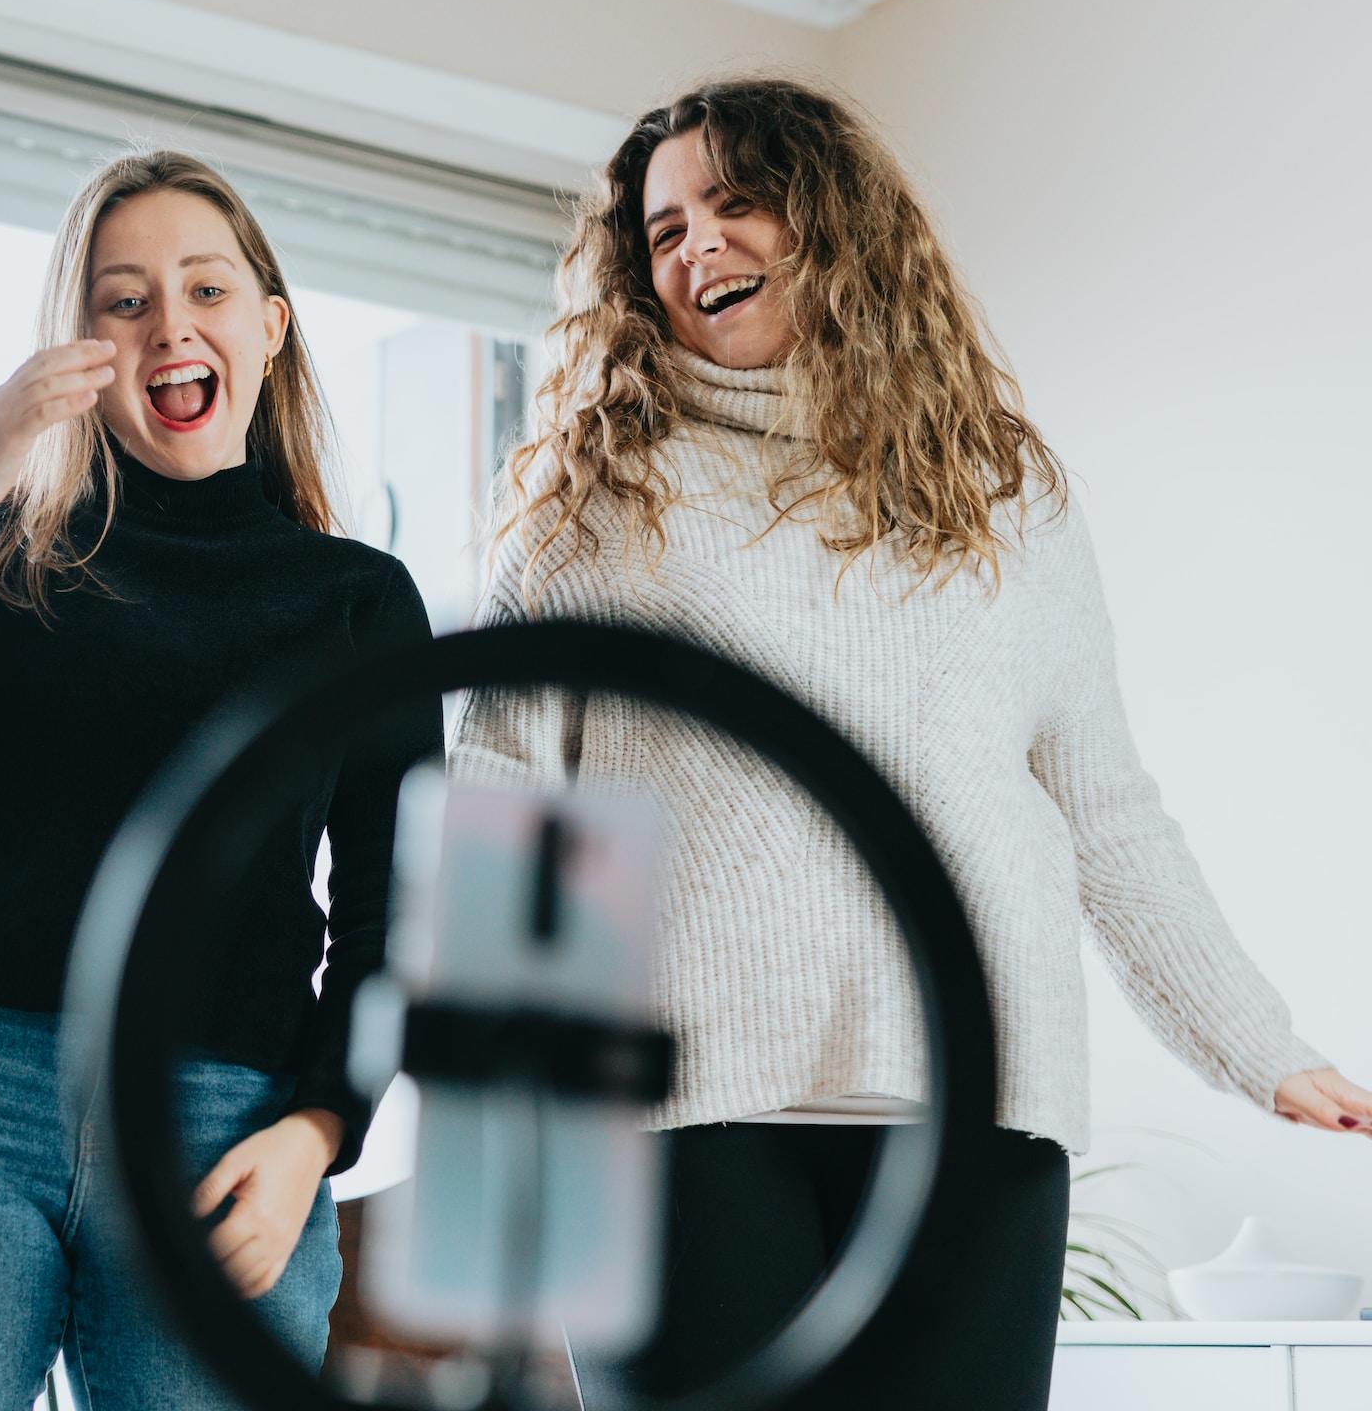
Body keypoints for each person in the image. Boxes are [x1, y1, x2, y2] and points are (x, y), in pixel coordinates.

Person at [454, 77, 1371, 1408]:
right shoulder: (590, 503)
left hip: (978, 1109)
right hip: (673, 1117)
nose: (697, 246)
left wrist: (1262, 1045)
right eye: (662, 232)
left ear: (835, 224)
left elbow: (1105, 808)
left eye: (735, 204)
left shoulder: (1003, 495)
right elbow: (501, 793)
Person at [0, 150, 443, 1409]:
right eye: (124, 299)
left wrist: (318, 1135)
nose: (171, 326)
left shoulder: (358, 600)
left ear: (269, 325)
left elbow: (397, 918)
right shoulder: (0, 551)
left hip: (224, 1123)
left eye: (206, 290)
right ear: (81, 345)